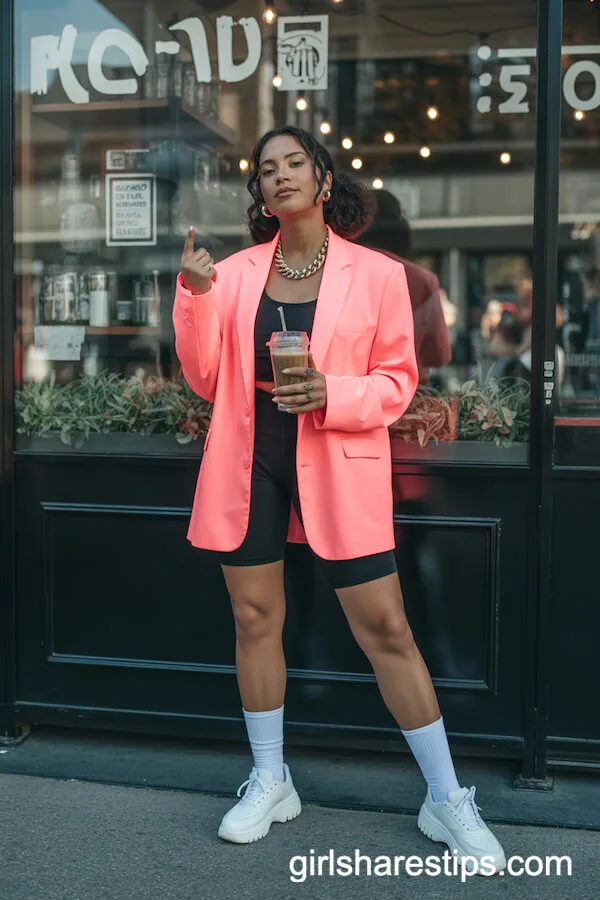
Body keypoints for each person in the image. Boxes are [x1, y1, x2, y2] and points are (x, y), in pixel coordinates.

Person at [172, 126, 506, 872]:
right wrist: (194, 299)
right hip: (249, 452)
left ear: (323, 180)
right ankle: (271, 778)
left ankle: (447, 799)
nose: (280, 175)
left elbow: (397, 382)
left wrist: (333, 390)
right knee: (255, 615)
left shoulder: (379, 274)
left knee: (387, 627)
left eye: (295, 163)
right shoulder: (228, 274)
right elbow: (202, 377)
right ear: (259, 193)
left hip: (337, 449)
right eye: (266, 169)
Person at [356, 189, 451, 383]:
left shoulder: (337, 271)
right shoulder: (422, 279)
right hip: (407, 393)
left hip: (347, 392)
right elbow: (438, 355)